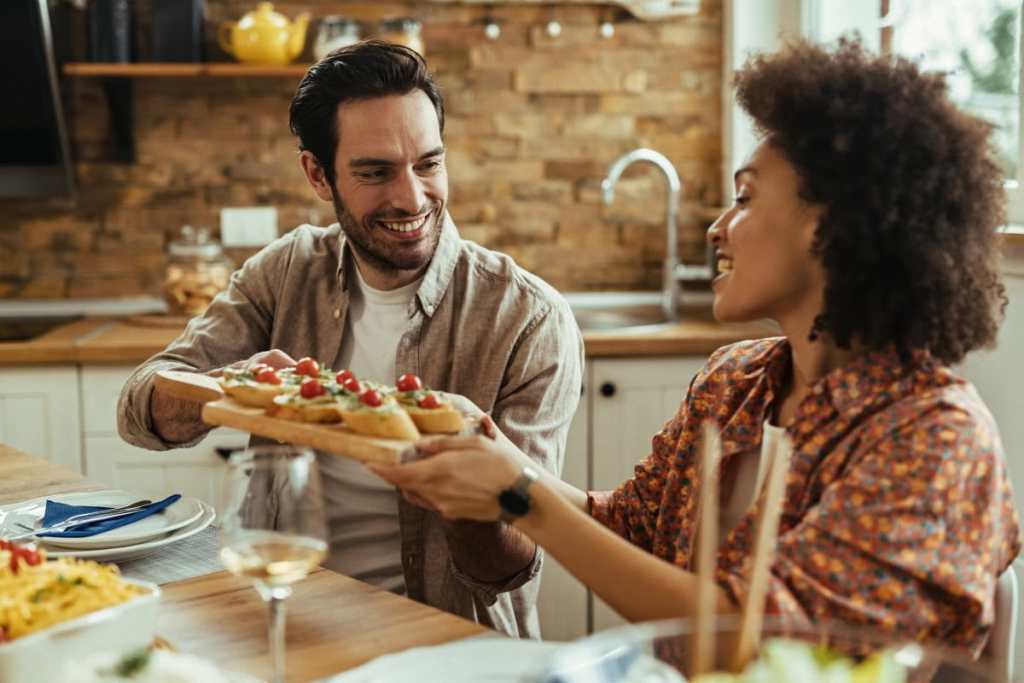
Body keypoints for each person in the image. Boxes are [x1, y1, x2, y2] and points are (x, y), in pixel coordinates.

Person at [369, 37, 1022, 657]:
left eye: (744, 198)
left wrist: (519, 495)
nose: (717, 227)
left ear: (831, 226)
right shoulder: (736, 382)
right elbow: (632, 530)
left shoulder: (935, 438)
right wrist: (497, 454)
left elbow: (760, 645)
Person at [117, 41, 584, 638]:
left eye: (429, 164)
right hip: (286, 615)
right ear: (318, 174)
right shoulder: (286, 271)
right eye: (375, 172)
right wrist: (233, 388)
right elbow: (137, 409)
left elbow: (510, 567)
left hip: (449, 645)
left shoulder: (528, 317)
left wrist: (466, 485)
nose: (411, 198)